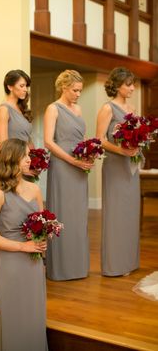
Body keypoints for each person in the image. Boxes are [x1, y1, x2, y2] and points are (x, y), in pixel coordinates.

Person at [0, 138, 48, 351]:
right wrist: (22, 247)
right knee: (14, 319)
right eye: (24, 156)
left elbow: (41, 225)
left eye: (29, 155)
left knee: (34, 317)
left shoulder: (35, 190)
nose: (29, 160)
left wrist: (41, 244)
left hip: (33, 265)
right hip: (10, 266)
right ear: (11, 158)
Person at [44, 70, 93, 281]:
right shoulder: (53, 109)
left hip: (79, 166)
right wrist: (72, 160)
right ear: (64, 87)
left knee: (78, 217)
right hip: (63, 166)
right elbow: (48, 142)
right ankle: (61, 269)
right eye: (75, 90)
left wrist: (89, 152)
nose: (78, 94)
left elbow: (81, 138)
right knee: (63, 214)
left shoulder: (78, 109)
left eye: (80, 91)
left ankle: (78, 267)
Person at [96, 67, 140, 277]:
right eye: (128, 84)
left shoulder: (132, 108)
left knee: (130, 214)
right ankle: (114, 265)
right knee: (116, 214)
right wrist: (121, 150)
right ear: (117, 85)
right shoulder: (108, 108)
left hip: (131, 167)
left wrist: (139, 145)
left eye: (133, 84)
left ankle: (129, 261)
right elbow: (100, 140)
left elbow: (138, 135)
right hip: (114, 166)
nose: (132, 88)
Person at [0, 69, 33, 146]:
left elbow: (28, 139)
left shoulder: (22, 109)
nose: (25, 89)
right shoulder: (4, 109)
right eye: (22, 86)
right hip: (13, 156)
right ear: (10, 87)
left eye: (26, 86)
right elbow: (3, 144)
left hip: (27, 156)